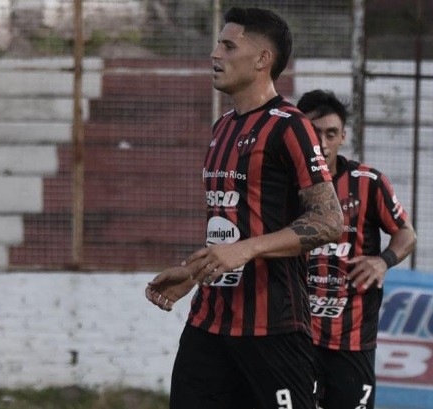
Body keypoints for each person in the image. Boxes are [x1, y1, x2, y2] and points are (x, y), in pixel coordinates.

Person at [145, 7, 343, 409]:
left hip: (272, 327)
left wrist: (245, 250)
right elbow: (231, 228)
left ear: (262, 60)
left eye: (228, 45)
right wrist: (193, 272)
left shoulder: (290, 125)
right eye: (218, 43)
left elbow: (328, 221)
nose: (215, 54)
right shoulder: (223, 127)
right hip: (209, 323)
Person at [297, 89, 417, 409]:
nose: (322, 142)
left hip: (352, 340)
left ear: (342, 137)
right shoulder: (281, 184)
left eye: (331, 133)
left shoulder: (369, 182)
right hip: (294, 336)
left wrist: (383, 261)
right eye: (313, 132)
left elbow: (406, 234)